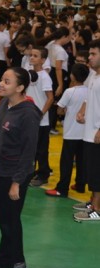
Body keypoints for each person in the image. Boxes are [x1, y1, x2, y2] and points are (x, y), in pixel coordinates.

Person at [0, 67, 41, 268]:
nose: (1, 84)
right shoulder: (6, 103)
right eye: (2, 80)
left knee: (8, 221)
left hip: (16, 174)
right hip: (2, 171)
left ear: (21, 87)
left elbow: (28, 152)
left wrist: (17, 182)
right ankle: (18, 260)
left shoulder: (28, 114)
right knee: (9, 219)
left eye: (7, 81)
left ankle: (2, 265)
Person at [46, 63, 89, 197]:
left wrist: (65, 110)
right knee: (82, 160)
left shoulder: (70, 91)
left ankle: (62, 188)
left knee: (66, 162)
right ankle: (80, 185)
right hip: (84, 133)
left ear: (72, 76)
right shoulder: (89, 90)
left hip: (71, 133)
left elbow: (59, 110)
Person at [74, 39, 100, 221]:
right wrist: (82, 110)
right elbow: (89, 98)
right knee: (92, 170)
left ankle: (96, 210)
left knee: (97, 172)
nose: (89, 58)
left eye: (93, 54)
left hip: (96, 132)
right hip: (89, 131)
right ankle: (93, 202)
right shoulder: (94, 75)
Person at [26, 47, 53, 187]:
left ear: (43, 60)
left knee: (41, 149)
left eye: (35, 56)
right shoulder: (29, 75)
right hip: (30, 119)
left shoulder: (44, 76)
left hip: (41, 121)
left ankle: (43, 174)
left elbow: (50, 98)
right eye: (31, 55)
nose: (32, 58)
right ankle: (32, 172)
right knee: (31, 148)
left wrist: (40, 114)